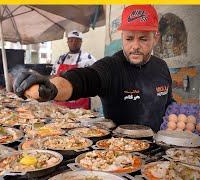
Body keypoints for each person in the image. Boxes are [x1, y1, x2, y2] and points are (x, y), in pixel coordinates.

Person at [13, 5, 174, 131]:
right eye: (129, 38)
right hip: (119, 153)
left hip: (158, 151)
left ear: (156, 38)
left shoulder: (161, 67)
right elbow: (84, 79)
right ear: (122, 36)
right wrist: (53, 88)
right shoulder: (111, 66)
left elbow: (168, 103)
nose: (135, 46)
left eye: (143, 39)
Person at [51, 30, 96, 109]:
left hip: (80, 103)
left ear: (81, 42)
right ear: (67, 42)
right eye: (71, 40)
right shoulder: (60, 59)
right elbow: (53, 77)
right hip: (61, 103)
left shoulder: (88, 58)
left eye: (77, 40)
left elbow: (94, 79)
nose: (73, 43)